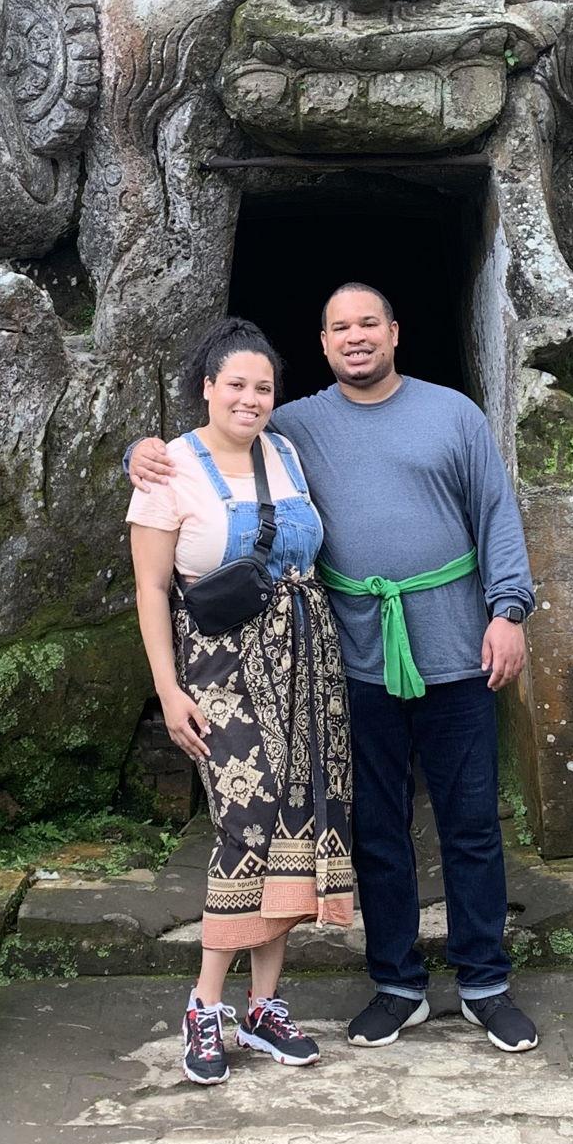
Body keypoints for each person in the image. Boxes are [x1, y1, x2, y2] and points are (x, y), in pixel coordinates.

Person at [128, 283, 540, 1054]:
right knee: (376, 826)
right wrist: (140, 452)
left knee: (472, 825)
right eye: (339, 328)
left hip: (456, 649)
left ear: (394, 331)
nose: (355, 338)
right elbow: (215, 439)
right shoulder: (296, 425)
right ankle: (397, 983)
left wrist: (509, 611)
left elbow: (496, 513)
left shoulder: (454, 413)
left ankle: (485, 982)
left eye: (368, 325)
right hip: (351, 660)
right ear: (321, 346)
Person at [127, 317, 355, 1087]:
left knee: (299, 817)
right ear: (207, 388)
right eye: (237, 385)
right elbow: (152, 589)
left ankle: (263, 1007)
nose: (251, 399)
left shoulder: (285, 452)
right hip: (220, 670)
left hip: (306, 660)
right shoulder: (168, 469)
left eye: (263, 387)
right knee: (245, 821)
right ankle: (204, 1004)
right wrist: (168, 690)